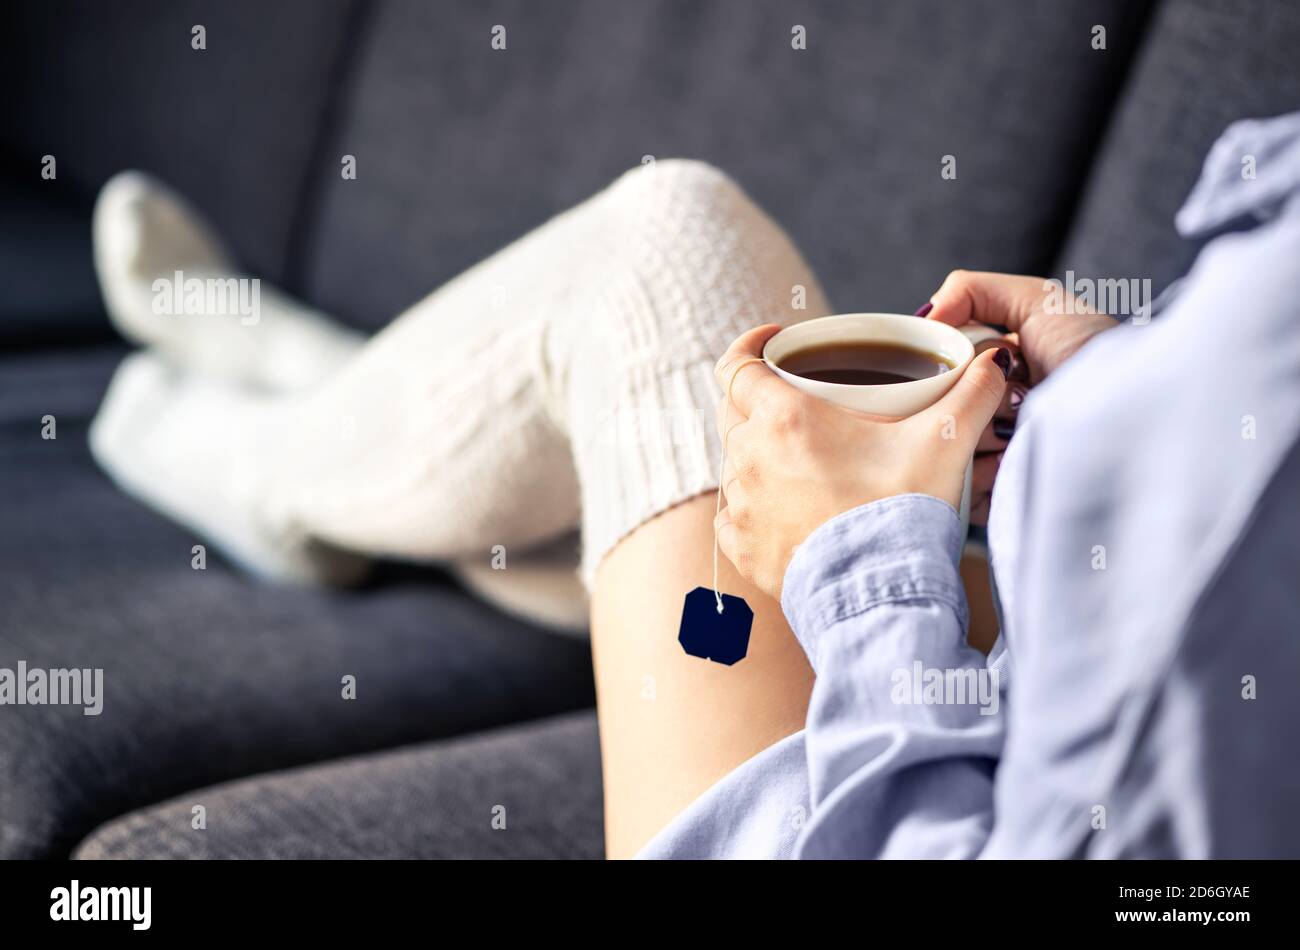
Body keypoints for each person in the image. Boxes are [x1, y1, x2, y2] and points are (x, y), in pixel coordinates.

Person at [89, 113, 1300, 859]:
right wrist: (1112, 408)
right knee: (654, 417)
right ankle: (343, 395)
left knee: (671, 245)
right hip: (1018, 634)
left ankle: (276, 468)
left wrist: (865, 566)